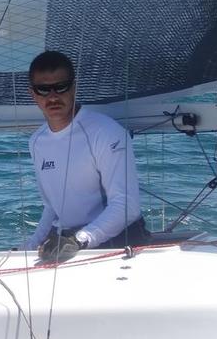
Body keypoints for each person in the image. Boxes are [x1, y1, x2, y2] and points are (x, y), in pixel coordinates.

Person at [24, 50, 147, 262]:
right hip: (68, 242)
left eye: (60, 87)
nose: (52, 97)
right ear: (33, 94)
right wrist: (29, 246)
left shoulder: (106, 133)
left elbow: (126, 205)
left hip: (118, 241)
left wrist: (79, 240)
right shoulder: (36, 142)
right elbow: (52, 207)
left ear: (74, 87)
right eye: (43, 90)